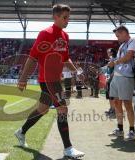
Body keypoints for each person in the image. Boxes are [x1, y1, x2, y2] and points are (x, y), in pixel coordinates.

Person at [15, 4, 85, 159]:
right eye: (64, 17)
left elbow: (66, 58)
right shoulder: (45, 34)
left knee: (42, 109)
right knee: (63, 109)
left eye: (68, 18)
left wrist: (76, 71)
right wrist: (23, 78)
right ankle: (68, 148)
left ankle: (21, 132)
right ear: (55, 17)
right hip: (47, 80)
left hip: (56, 80)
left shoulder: (65, 36)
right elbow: (33, 58)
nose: (67, 20)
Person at [107, 26, 135, 141]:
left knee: (128, 104)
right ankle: (120, 129)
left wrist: (115, 62)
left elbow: (129, 56)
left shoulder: (133, 41)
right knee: (116, 103)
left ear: (124, 33)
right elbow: (120, 59)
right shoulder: (121, 45)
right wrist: (112, 62)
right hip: (116, 76)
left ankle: (132, 131)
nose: (117, 38)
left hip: (126, 77)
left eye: (118, 36)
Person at [105, 48, 117, 117]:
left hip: (112, 79)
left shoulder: (114, 59)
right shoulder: (111, 59)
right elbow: (108, 69)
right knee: (109, 96)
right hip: (109, 79)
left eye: (108, 52)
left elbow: (115, 70)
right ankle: (111, 109)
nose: (107, 53)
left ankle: (114, 110)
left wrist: (110, 78)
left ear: (112, 52)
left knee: (112, 96)